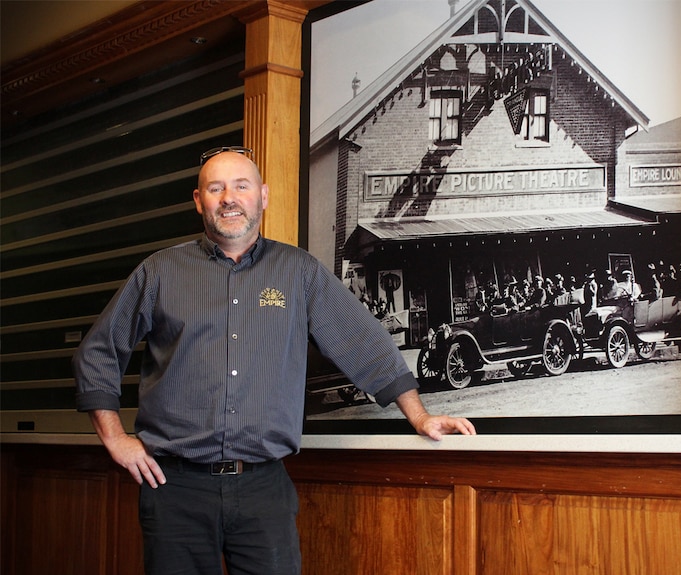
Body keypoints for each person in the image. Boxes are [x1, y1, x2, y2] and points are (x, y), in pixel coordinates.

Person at [73, 147, 476, 575]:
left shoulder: (298, 272)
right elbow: (98, 351)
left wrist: (418, 416)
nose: (229, 197)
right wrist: (115, 438)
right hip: (175, 489)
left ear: (262, 196)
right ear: (199, 201)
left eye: (241, 186)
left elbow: (363, 341)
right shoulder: (159, 272)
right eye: (216, 188)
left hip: (263, 488)